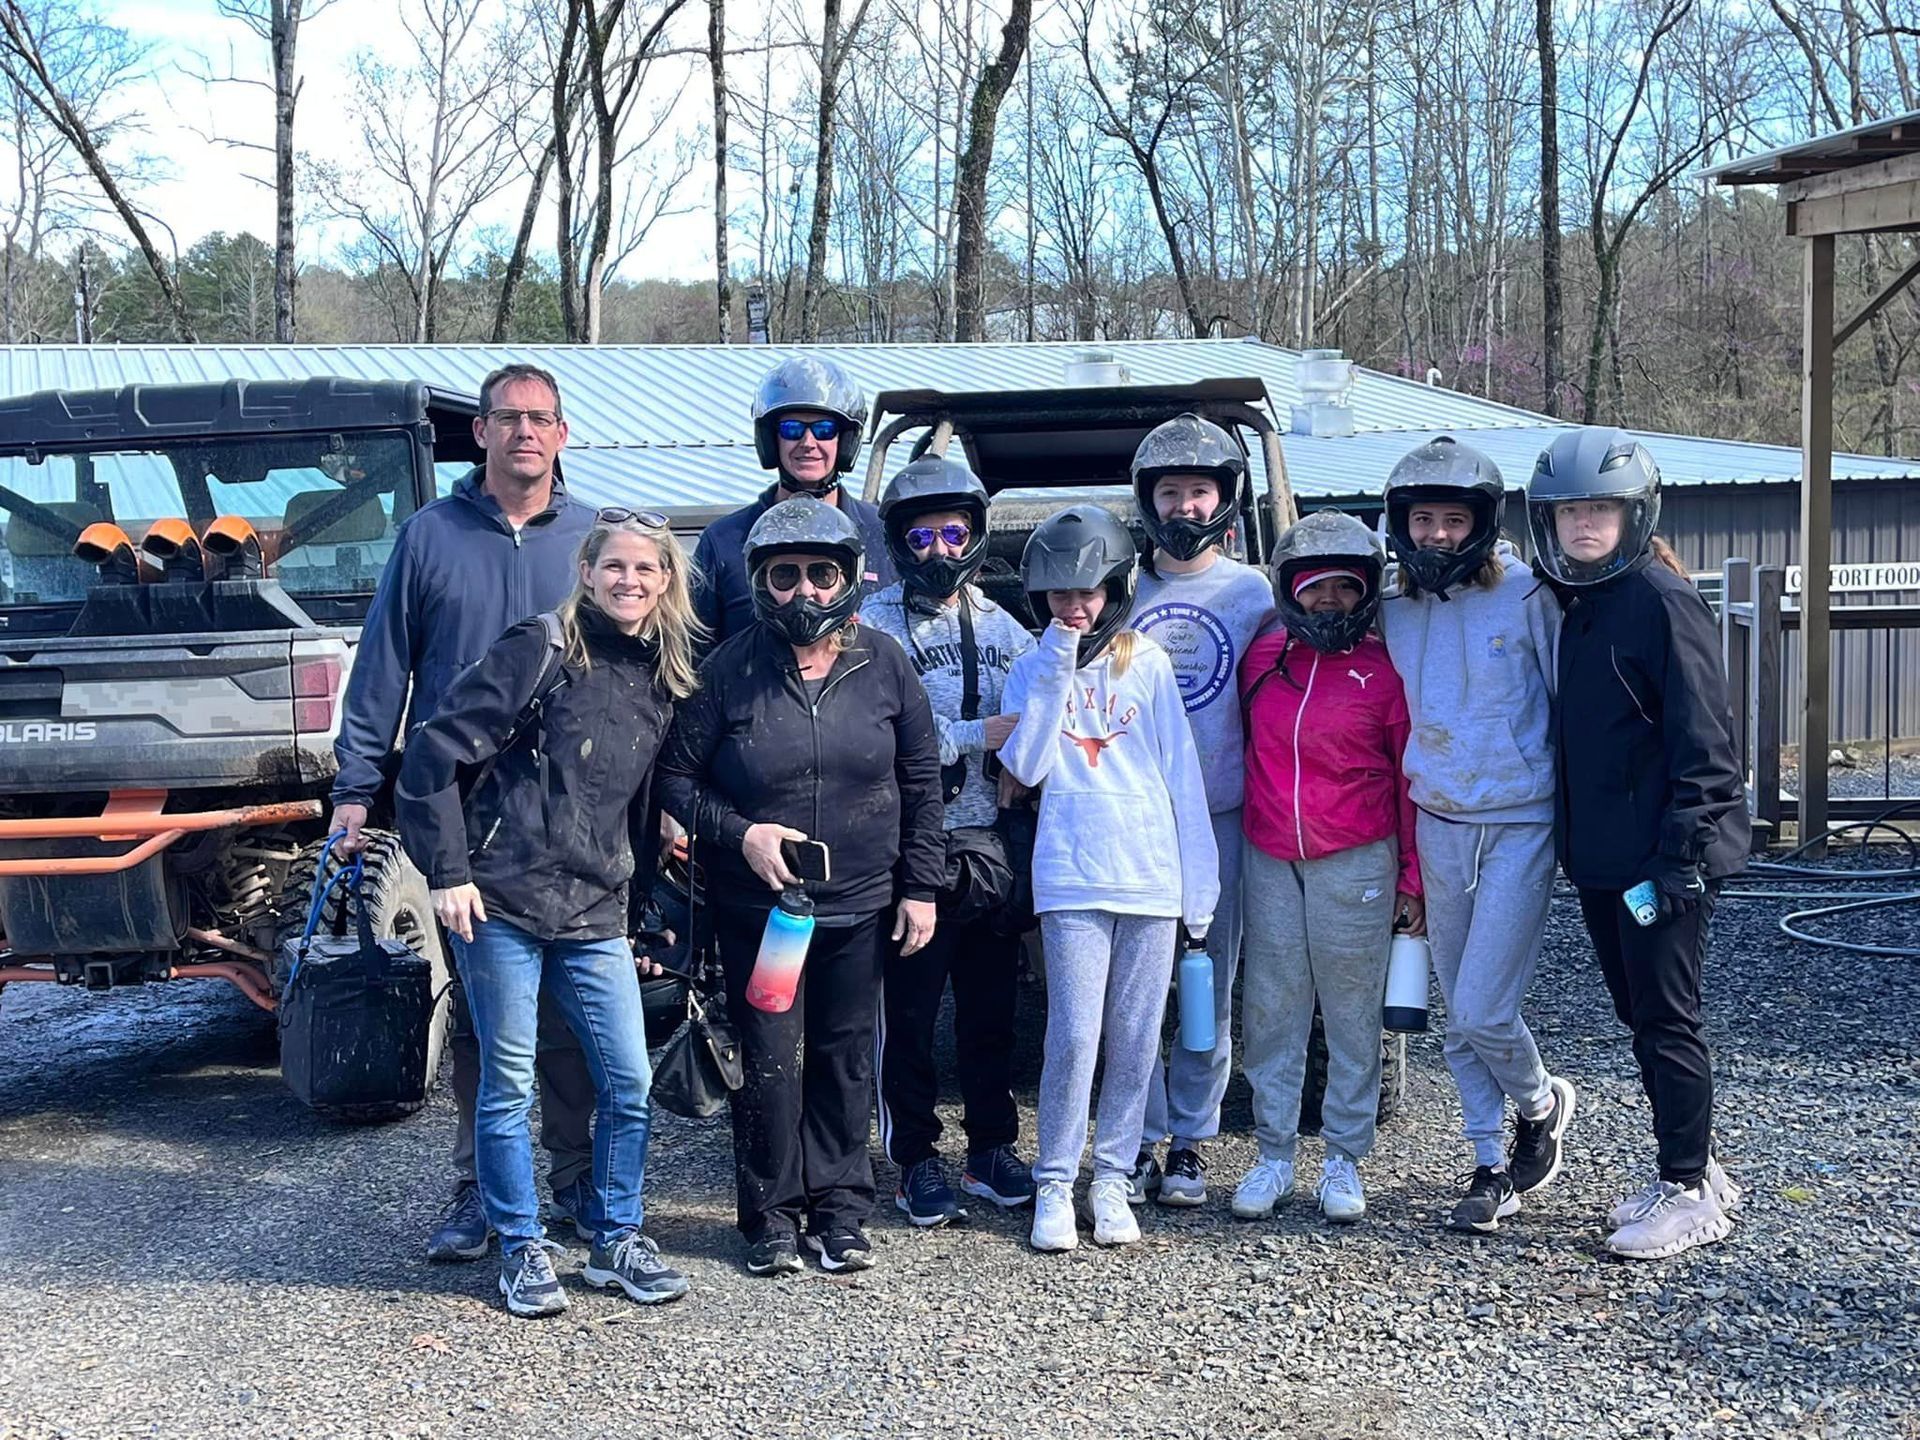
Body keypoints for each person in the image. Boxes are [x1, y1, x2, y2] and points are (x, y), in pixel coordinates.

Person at [393, 512, 697, 1316]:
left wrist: (655, 878)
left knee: (628, 1081)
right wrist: (448, 873)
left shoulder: (663, 675)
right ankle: (523, 1246)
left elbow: (636, 797)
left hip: (597, 908)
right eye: (615, 567)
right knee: (507, 1085)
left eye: (647, 570)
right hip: (503, 901)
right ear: (588, 571)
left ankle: (616, 1237)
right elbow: (431, 755)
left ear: (667, 582)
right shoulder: (542, 648)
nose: (630, 581)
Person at [328, 363, 599, 1263]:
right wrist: (355, 789)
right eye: (509, 417)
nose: (526, 432)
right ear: (480, 432)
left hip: (570, 812)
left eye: (542, 419)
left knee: (567, 1016)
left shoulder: (593, 540)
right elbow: (383, 667)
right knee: (487, 1020)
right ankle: (478, 1189)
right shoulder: (429, 536)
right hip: (464, 813)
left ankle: (572, 1183)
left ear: (563, 435)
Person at [658, 495, 945, 1276]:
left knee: (847, 1057)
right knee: (771, 1058)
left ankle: (844, 1209)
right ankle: (773, 1217)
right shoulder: (726, 670)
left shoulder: (883, 662)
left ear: (850, 577)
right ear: (758, 581)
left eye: (822, 574)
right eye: (784, 576)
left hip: (859, 906)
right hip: (766, 915)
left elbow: (922, 782)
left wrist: (920, 886)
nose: (804, 592)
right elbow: (676, 781)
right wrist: (740, 834)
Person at [1526, 429, 1747, 1261]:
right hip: (1606, 857)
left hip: (1662, 857)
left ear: (1633, 513)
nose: (1585, 525)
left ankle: (1689, 1189)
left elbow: (1708, 741)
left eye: (1601, 510)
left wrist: (1683, 853)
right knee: (1637, 1013)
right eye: (1572, 510)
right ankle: (1700, 1167)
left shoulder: (1660, 599)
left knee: (1667, 1019)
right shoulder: (1578, 601)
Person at [998, 505, 1218, 1253]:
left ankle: (1114, 1175)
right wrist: (1057, 664)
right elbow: (1025, 765)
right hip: (1070, 876)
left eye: (1089, 591)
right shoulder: (1029, 666)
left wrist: (1200, 892)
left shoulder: (1147, 663)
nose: (1076, 606)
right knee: (1073, 1036)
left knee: (1133, 1039)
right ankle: (1055, 1180)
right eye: (1060, 593)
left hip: (1149, 877)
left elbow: (1181, 776)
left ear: (1116, 587)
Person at [1377, 435, 1577, 1235]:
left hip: (1520, 820)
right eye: (1421, 519)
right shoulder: (1393, 603)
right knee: (1456, 1007)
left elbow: (1571, 701)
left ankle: (1540, 1104)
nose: (1434, 535)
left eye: (1451, 520)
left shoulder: (1530, 595)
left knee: (1486, 1007)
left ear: (1483, 524)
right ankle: (1489, 1164)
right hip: (1438, 820)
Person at [862, 456, 1038, 1226]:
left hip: (989, 847)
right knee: (908, 1012)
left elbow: (1045, 708)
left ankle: (992, 1148)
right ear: (900, 541)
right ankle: (915, 1158)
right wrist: (976, 734)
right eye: (922, 534)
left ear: (975, 536)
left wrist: (1025, 762)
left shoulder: (1006, 625)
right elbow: (870, 734)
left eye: (954, 532)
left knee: (990, 1010)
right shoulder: (871, 624)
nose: (939, 549)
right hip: (907, 851)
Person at [1232, 511, 1422, 1225]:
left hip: (1358, 856)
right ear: (1290, 589)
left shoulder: (1386, 669)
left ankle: (1344, 1155)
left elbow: (1409, 778)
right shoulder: (1263, 659)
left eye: (1346, 586)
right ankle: (1274, 1153)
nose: (1330, 601)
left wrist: (1412, 880)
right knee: (1273, 1007)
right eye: (1316, 587)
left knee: (1350, 1012)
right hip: (1270, 853)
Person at [1123, 413, 1274, 1208]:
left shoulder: (1253, 591)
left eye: (1199, 492)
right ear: (1148, 500)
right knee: (1137, 992)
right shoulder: (1122, 584)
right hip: (1133, 819)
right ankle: (1139, 1137)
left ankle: (1190, 1140)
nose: (1185, 507)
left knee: (1207, 987)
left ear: (1224, 500)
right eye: (1171, 492)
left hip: (1221, 814)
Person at [692, 355, 893, 646]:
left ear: (845, 441)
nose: (808, 443)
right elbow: (695, 656)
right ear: (771, 439)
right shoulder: (723, 542)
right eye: (792, 429)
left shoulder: (882, 534)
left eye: (824, 430)